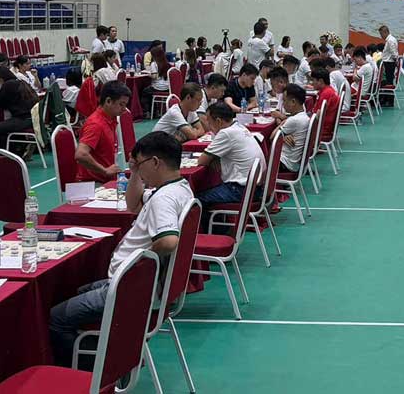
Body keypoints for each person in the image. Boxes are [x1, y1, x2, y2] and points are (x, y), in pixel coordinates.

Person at [50, 131, 191, 365]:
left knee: (57, 318)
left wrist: (136, 263)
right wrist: (135, 171)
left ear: (155, 162)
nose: (140, 170)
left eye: (141, 163)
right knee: (79, 291)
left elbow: (168, 241)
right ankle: (118, 354)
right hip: (137, 283)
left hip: (130, 286)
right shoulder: (179, 188)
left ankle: (99, 371)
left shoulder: (163, 199)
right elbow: (132, 204)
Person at [196, 102, 266, 205]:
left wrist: (211, 159)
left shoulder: (226, 133)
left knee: (195, 200)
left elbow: (202, 161)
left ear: (218, 121)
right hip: (255, 188)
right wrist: (215, 158)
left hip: (240, 190)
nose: (209, 127)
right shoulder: (239, 126)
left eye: (209, 122)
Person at [74, 81, 130, 183]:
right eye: (121, 104)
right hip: (93, 183)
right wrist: (104, 171)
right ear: (108, 101)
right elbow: (81, 154)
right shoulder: (96, 124)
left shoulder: (110, 119)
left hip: (105, 180)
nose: (124, 109)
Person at [0, 75, 38, 152]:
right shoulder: (21, 82)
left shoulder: (7, 85)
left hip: (22, 119)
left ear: (1, 79)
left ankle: (5, 153)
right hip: (32, 118)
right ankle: (20, 148)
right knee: (9, 126)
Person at [274, 84, 312, 172]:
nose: (283, 104)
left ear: (293, 102)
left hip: (284, 163)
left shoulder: (293, 120)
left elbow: (272, 137)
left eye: (284, 100)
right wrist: (283, 136)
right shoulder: (304, 116)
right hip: (293, 162)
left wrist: (282, 123)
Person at [309, 69, 339, 141]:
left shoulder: (326, 94)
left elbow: (317, 116)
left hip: (321, 129)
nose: (312, 83)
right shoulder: (328, 90)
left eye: (313, 80)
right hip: (324, 126)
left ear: (321, 81)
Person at [142, 44, 172, 110]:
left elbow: (154, 76)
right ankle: (155, 109)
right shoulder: (167, 63)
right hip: (167, 87)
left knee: (145, 92)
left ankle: (148, 110)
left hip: (158, 87)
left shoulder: (154, 64)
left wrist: (148, 74)